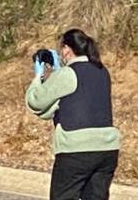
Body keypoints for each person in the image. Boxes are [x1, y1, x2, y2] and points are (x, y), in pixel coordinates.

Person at [25, 28, 121, 200]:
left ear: (66, 49)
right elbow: (65, 104)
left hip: (76, 150)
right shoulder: (102, 72)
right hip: (107, 150)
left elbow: (36, 101)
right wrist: (59, 70)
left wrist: (38, 75)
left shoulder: (67, 74)